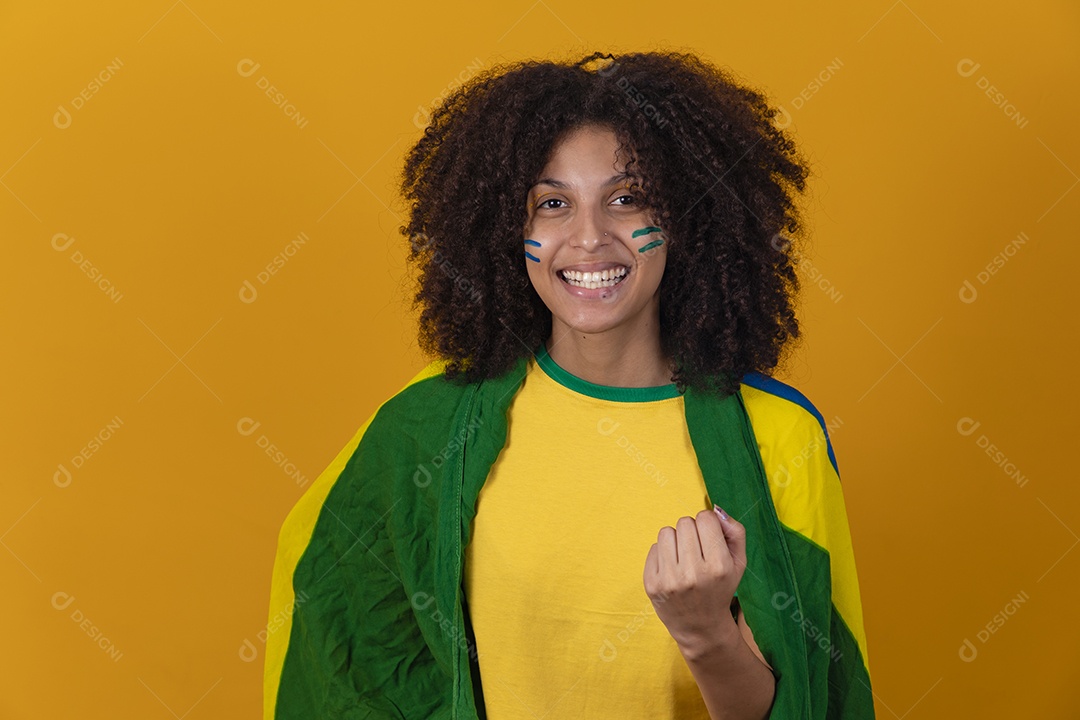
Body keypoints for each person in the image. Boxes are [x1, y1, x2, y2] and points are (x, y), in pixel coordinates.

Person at [262, 50, 874, 719]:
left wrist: (705, 633)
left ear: (686, 220)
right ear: (506, 229)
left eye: (626, 198)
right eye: (552, 204)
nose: (588, 238)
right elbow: (350, 652)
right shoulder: (430, 423)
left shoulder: (776, 437)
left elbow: (806, 705)